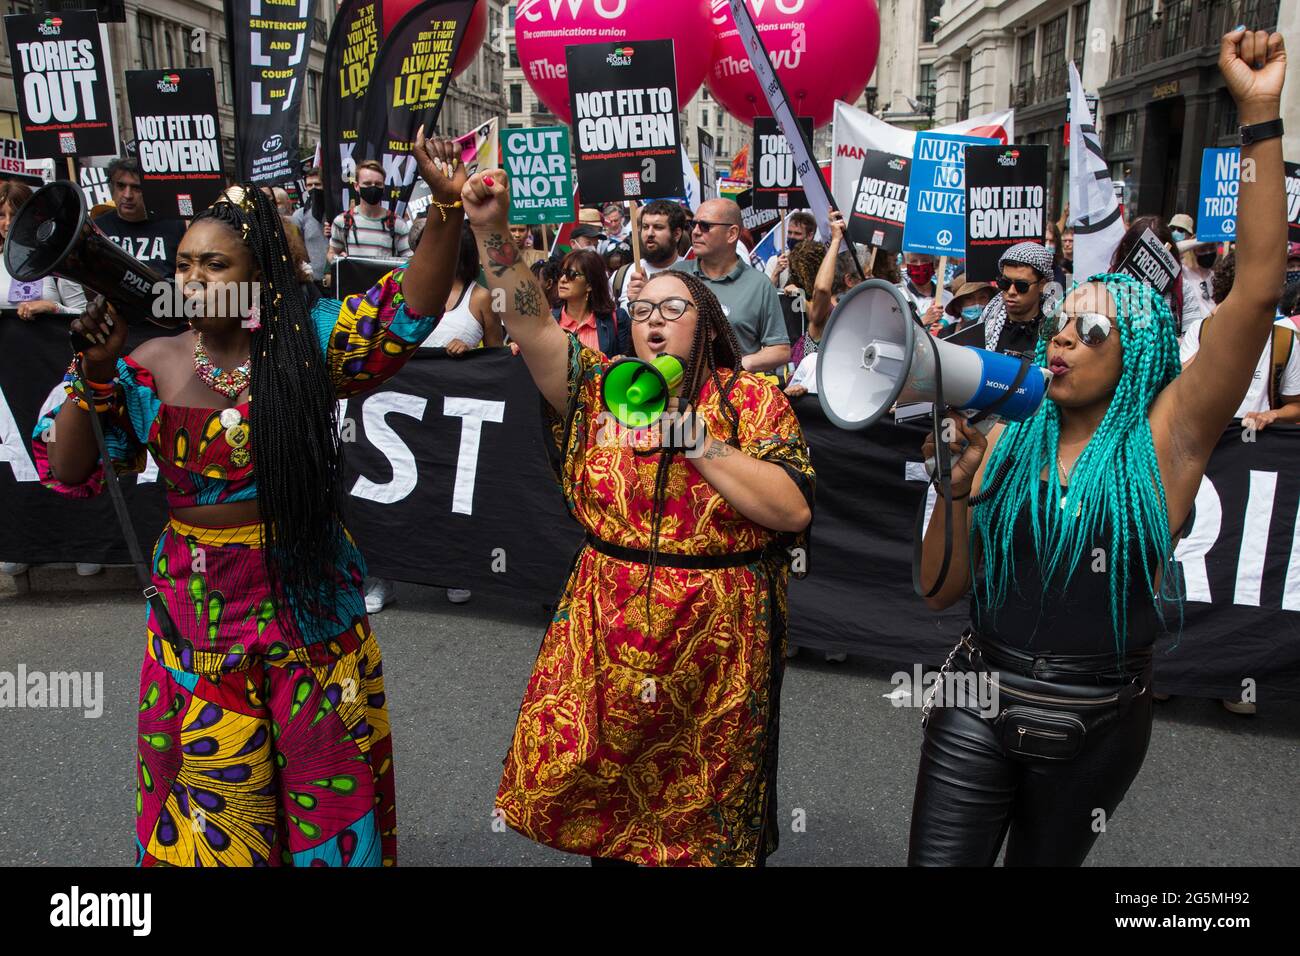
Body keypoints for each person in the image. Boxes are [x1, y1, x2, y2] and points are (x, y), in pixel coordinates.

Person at [31, 131, 470, 866]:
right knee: (212, 805)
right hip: (198, 613)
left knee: (326, 787)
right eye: (183, 265)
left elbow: (407, 311)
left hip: (310, 598)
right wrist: (93, 373)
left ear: (258, 276)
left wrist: (447, 204)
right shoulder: (147, 363)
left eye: (214, 264)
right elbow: (71, 466)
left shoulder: (308, 345)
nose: (194, 278)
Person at [908, 27, 1287, 866]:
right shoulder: (1006, 437)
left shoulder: (1168, 442)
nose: (1064, 341)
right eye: (1060, 325)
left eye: (1091, 330)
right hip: (976, 696)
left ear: (1141, 354)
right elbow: (940, 591)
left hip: (1096, 720)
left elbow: (1257, 290)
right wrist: (959, 489)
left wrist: (1260, 115)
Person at [461, 164, 814, 866]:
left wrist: (699, 443)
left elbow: (791, 510)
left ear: (706, 323)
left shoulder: (751, 400)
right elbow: (529, 322)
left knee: (702, 820)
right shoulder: (599, 390)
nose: (653, 320)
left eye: (672, 309)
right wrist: (490, 228)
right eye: (643, 308)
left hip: (716, 644)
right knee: (610, 815)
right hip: (608, 632)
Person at [0, 181, 98, 578]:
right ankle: (23, 541)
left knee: (66, 459)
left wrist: (50, 306)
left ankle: (82, 542)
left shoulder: (59, 261)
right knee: (17, 462)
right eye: (1, 216)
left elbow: (82, 313)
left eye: (14, 215)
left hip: (54, 381)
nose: (7, 224)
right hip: (12, 388)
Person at [686, 198, 791, 372]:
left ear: (732, 233)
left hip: (733, 393)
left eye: (705, 226)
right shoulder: (677, 276)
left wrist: (743, 364)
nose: (695, 232)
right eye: (693, 224)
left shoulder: (760, 285)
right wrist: (641, 301)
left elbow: (780, 350)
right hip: (683, 394)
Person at [92, 157, 188, 274]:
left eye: (137, 188)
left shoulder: (177, 227)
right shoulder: (96, 229)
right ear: (112, 188)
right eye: (121, 186)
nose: (127, 195)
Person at [1108, 215, 1200, 333]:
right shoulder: (1108, 285)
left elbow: (1192, 339)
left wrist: (1169, 342)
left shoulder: (1182, 288)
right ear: (1127, 250)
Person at [979, 241, 1056, 357]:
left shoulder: (1057, 334)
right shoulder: (979, 329)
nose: (1011, 291)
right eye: (1004, 283)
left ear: (1042, 285)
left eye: (1021, 286)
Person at [327, 159, 412, 262]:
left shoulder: (398, 224)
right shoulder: (342, 221)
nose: (373, 188)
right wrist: (338, 258)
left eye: (378, 184)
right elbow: (332, 253)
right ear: (356, 186)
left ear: (384, 187)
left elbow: (409, 261)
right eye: (367, 183)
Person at [552, 248, 629, 358]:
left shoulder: (617, 319)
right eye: (562, 273)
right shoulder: (548, 321)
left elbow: (630, 363)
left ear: (590, 284)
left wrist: (622, 361)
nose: (563, 279)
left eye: (572, 274)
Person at [614, 199, 687, 309]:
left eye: (658, 227)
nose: (649, 233)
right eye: (645, 227)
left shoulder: (691, 274)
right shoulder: (622, 275)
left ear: (676, 234)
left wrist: (647, 294)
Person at [292, 166, 329, 282]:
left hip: (337, 279)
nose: (313, 188)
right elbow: (296, 247)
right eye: (309, 185)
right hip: (314, 282)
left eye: (317, 184)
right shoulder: (300, 215)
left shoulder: (337, 212)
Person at [765, 211, 816, 288]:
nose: (792, 237)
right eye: (789, 233)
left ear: (810, 236)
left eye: (797, 233)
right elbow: (766, 294)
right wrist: (776, 273)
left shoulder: (819, 262)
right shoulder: (775, 261)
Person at [899, 252, 953, 324]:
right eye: (914, 261)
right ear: (907, 265)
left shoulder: (949, 297)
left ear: (933, 264)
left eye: (925, 260)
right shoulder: (899, 297)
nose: (919, 265)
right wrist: (923, 320)